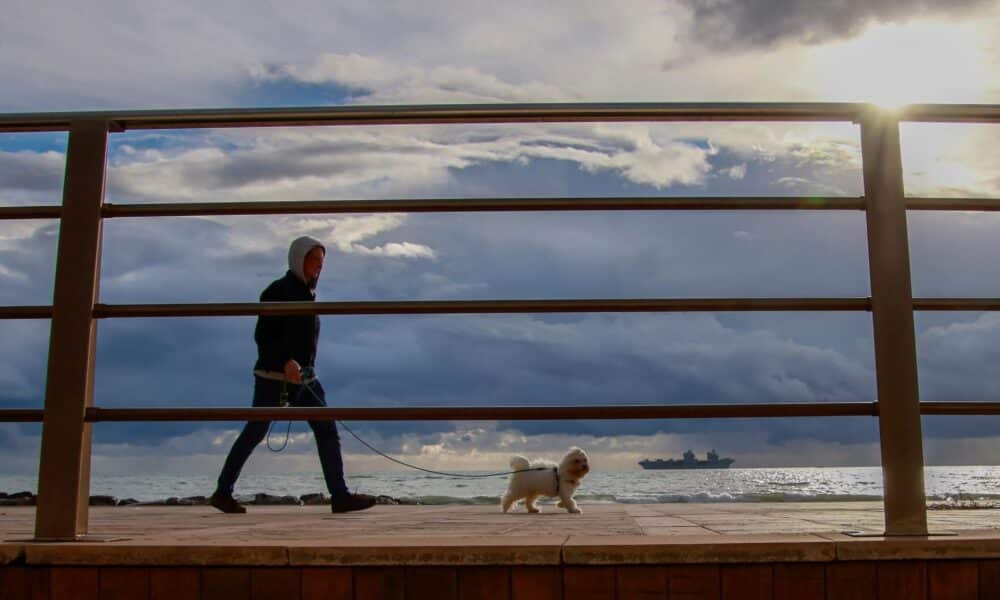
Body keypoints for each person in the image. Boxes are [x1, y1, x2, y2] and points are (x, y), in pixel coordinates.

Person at [210, 236, 377, 514]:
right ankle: (222, 492)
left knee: (327, 429)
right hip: (274, 378)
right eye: (314, 261)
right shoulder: (276, 291)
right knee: (254, 432)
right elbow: (263, 336)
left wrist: (304, 366)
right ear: (298, 260)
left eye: (322, 263)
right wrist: (285, 361)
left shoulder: (309, 294)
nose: (319, 268)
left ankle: (340, 495)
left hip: (307, 378)